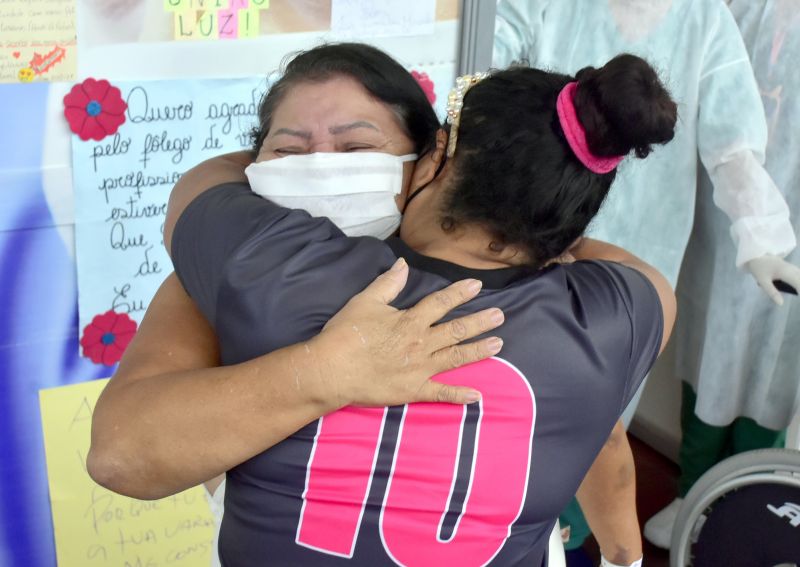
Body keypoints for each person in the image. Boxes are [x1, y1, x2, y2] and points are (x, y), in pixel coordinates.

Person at [90, 43, 677, 566]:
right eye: (288, 151)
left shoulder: (258, 264)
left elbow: (601, 441)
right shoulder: (604, 311)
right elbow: (123, 451)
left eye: (356, 148)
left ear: (427, 156)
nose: (321, 168)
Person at [493, 0, 800, 557]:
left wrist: (763, 238)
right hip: (537, 230)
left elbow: (733, 145)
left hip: (644, 248)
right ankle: (516, 526)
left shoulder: (705, 19)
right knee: (524, 386)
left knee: (607, 406)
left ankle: (574, 532)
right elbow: (482, 76)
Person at [645, 0, 800, 549]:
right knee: (708, 349)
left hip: (793, 223)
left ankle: (750, 500)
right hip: (718, 209)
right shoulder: (733, 9)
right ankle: (694, 492)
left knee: (772, 366)